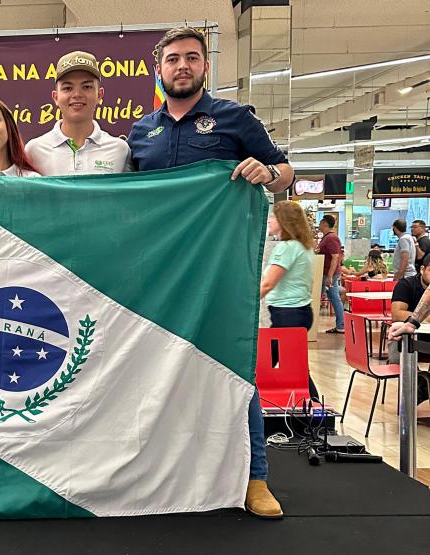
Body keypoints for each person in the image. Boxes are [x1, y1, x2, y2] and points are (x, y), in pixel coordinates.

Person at [127, 26, 293, 519]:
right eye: (173, 58)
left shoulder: (234, 118)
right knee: (156, 367)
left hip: (219, 271)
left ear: (204, 66)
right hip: (156, 273)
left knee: (235, 368)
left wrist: (268, 174)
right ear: (159, 69)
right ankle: (163, 469)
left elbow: (284, 170)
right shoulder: (142, 132)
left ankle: (254, 476)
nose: (182, 66)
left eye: (192, 58)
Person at [24, 50, 132, 176]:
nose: (77, 95)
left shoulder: (120, 150)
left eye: (86, 87)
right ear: (55, 97)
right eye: (68, 88)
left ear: (99, 94)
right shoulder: (33, 151)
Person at [259, 201, 318, 398]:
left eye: (273, 217)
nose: (269, 220)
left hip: (288, 315)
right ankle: (313, 412)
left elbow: (268, 284)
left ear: (284, 221)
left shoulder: (288, 247)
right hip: (298, 313)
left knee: (268, 363)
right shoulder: (303, 246)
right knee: (295, 366)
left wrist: (245, 303)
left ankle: (315, 412)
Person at [384, 253, 430, 405]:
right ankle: (417, 385)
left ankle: (422, 387)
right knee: (400, 340)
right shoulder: (407, 284)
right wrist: (412, 322)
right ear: (422, 269)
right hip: (414, 339)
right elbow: (397, 313)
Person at [316, 215, 344, 334]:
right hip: (325, 273)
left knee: (333, 298)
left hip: (328, 274)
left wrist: (330, 276)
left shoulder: (331, 238)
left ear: (325, 223)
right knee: (332, 298)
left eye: (321, 222)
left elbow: (335, 257)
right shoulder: (326, 238)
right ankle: (341, 325)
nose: (319, 224)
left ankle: (341, 325)